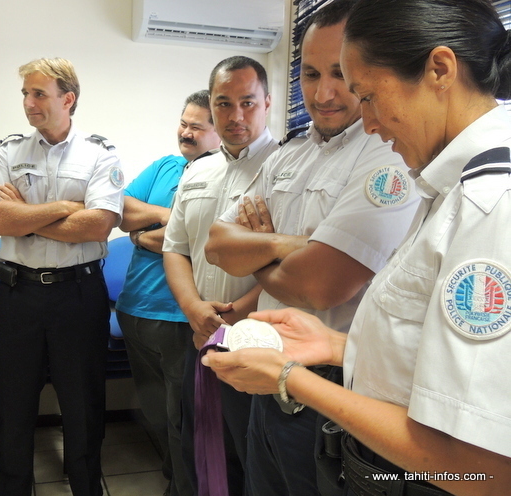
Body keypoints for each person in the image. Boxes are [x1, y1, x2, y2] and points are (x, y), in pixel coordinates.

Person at [203, 0, 511, 495]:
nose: (367, 124)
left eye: (365, 95)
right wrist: (337, 346)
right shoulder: (447, 185)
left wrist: (290, 379)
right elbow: (421, 366)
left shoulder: (491, 202)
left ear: (439, 70)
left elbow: (485, 470)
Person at [203, 1, 419, 494]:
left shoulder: (387, 153)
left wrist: (260, 249)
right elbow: (219, 244)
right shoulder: (290, 154)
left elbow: (321, 286)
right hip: (268, 376)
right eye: (311, 72)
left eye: (341, 73)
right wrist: (294, 246)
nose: (323, 93)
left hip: (334, 389)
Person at [0, 57, 124, 496]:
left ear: (68, 98)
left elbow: (98, 226)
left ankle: (84, 486)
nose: (28, 102)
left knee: (82, 405)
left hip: (78, 295)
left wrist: (21, 214)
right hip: (18, 294)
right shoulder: (7, 151)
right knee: (14, 402)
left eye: (38, 93)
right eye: (25, 93)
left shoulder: (101, 154)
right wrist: (65, 208)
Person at [163, 56, 279, 494]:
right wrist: (195, 309)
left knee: (254, 459)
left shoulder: (287, 169)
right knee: (205, 447)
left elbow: (291, 259)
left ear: (267, 102)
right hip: (199, 334)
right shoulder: (198, 170)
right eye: (223, 103)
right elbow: (175, 249)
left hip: (259, 340)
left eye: (248, 103)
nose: (235, 116)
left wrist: (233, 317)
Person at [116, 89, 220, 496]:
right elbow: (121, 210)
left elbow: (201, 241)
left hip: (181, 318)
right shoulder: (165, 167)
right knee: (155, 414)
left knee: (184, 420)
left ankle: (184, 488)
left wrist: (150, 235)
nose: (186, 132)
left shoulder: (221, 176)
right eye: (184, 122)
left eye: (198, 126)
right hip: (135, 311)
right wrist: (173, 218)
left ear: (219, 131)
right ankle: (173, 476)